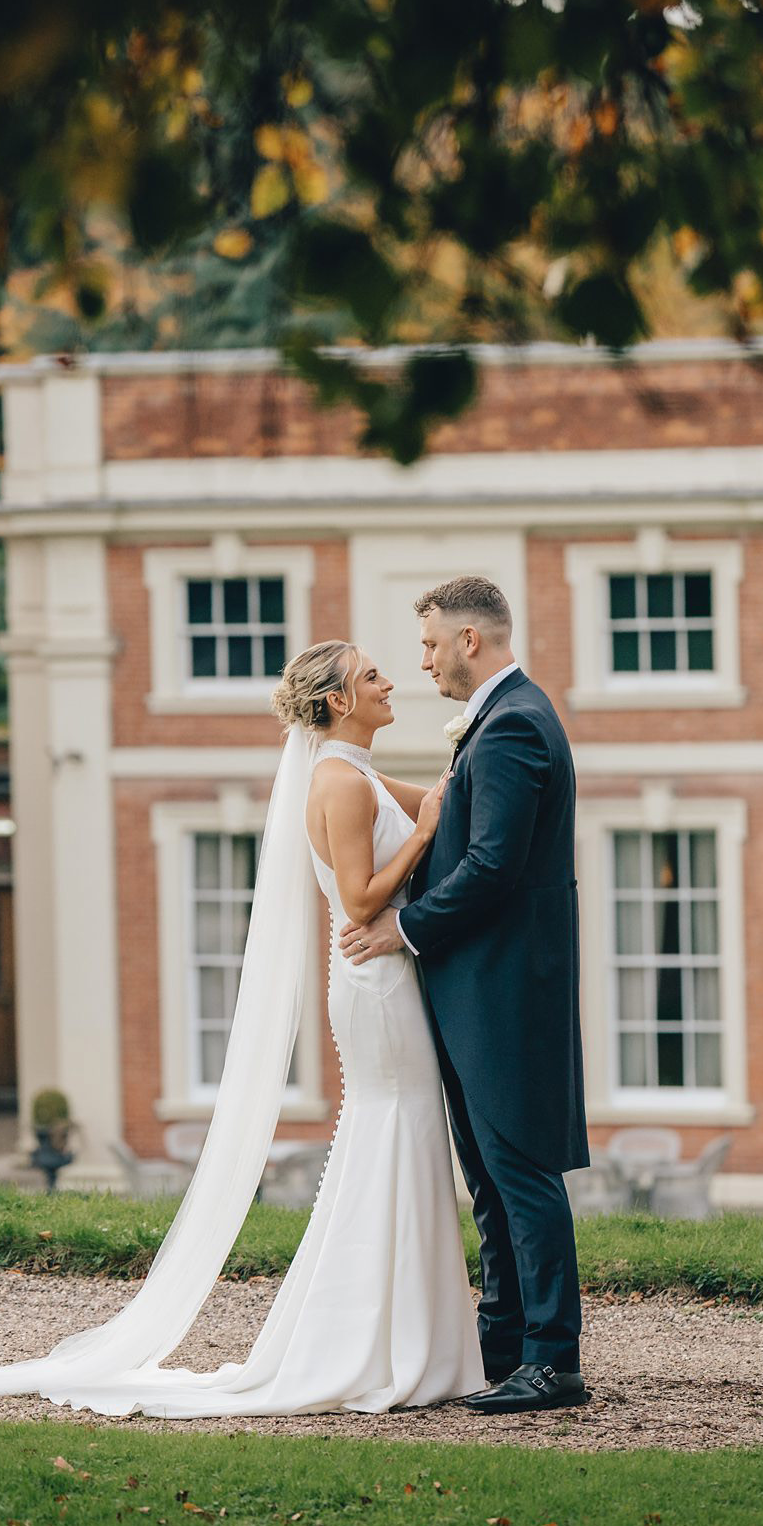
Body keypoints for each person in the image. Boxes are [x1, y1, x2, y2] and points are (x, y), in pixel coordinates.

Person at [0, 639, 487, 1416]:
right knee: (390, 1134)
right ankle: (385, 1346)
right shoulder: (340, 783)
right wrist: (429, 834)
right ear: (337, 700)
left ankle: (410, 1339)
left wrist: (464, 763)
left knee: (401, 1137)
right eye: (372, 676)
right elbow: (363, 902)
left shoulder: (354, 772)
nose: (389, 681)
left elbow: (439, 797)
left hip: (383, 982)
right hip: (374, 979)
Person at [339, 575, 590, 1414]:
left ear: (471, 641)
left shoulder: (514, 724)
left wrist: (402, 931)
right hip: (477, 983)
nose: (424, 662)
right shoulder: (497, 720)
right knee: (488, 1173)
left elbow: (493, 866)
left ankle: (552, 1361)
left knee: (519, 1170)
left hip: (504, 986)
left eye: (432, 645)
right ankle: (505, 1342)